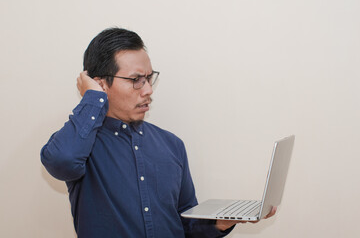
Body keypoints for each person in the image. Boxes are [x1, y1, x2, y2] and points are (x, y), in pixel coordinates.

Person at [41, 27, 276, 238]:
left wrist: (217, 224)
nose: (148, 90)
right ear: (101, 84)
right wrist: (92, 98)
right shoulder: (82, 143)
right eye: (136, 80)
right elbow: (61, 162)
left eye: (149, 78)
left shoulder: (171, 145)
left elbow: (186, 225)